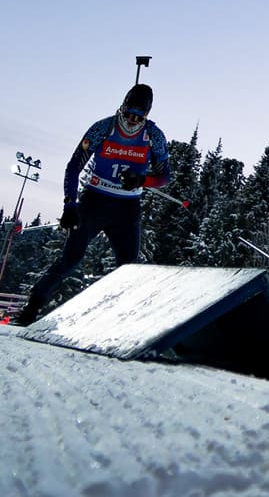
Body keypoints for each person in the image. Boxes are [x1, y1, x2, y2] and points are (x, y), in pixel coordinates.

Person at [15, 84, 172, 326]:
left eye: (139, 116)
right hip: (95, 202)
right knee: (71, 258)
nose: (132, 120)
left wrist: (143, 180)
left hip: (127, 209)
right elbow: (74, 166)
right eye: (129, 113)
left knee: (128, 269)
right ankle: (31, 309)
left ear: (147, 115)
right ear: (122, 108)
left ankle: (121, 323)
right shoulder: (103, 128)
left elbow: (164, 176)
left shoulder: (154, 135)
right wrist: (70, 204)